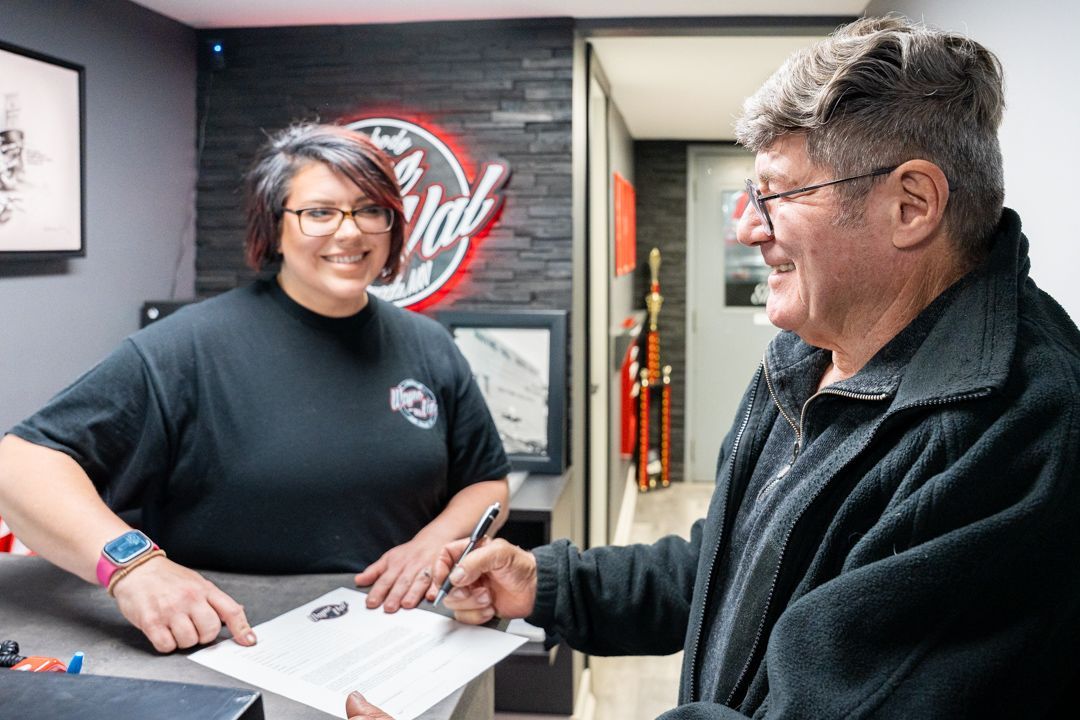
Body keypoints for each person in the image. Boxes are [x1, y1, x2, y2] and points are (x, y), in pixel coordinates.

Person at [349, 15, 1080, 720]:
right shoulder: (806, 358)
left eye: (775, 193)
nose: (745, 226)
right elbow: (731, 570)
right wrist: (545, 583)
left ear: (911, 204)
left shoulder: (1018, 435)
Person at [0, 123, 510, 654]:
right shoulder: (187, 347)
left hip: (398, 639)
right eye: (319, 212)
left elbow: (487, 482)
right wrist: (132, 565)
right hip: (228, 642)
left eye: (370, 210)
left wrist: (433, 543)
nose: (351, 232)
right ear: (275, 226)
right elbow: (19, 463)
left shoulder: (429, 345)